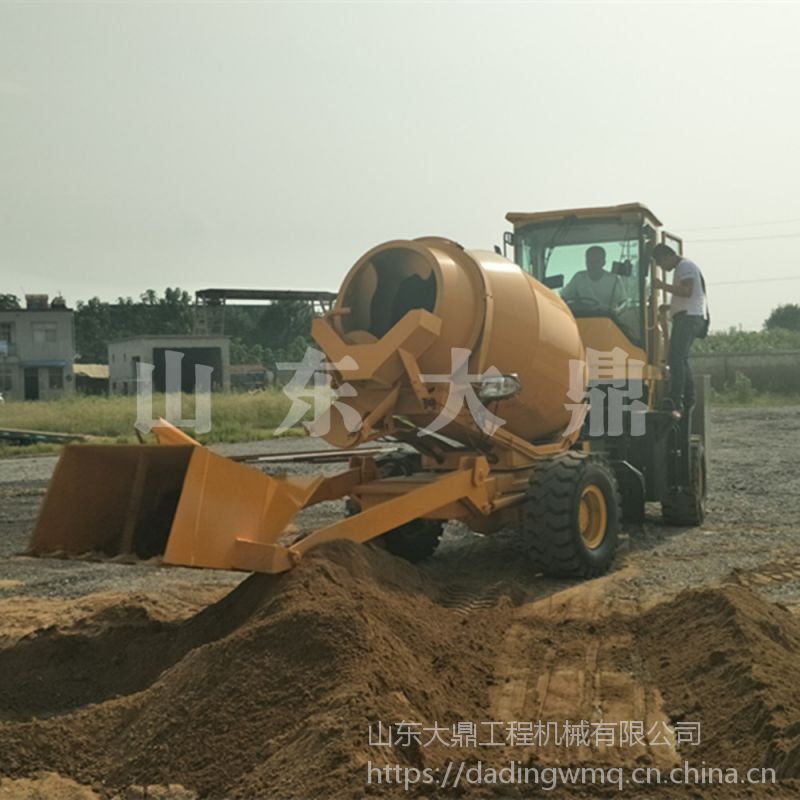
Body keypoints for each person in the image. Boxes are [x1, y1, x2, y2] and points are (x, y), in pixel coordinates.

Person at [652, 243, 708, 417]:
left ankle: (676, 397)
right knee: (681, 358)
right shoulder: (684, 267)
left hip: (688, 318)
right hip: (688, 316)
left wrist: (662, 286)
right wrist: (670, 306)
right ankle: (688, 395)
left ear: (667, 256)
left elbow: (687, 291)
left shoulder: (685, 266)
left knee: (675, 357)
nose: (663, 268)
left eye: (661, 264)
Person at [561, 246, 627, 312]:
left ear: (603, 262)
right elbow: (563, 298)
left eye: (596, 261)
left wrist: (617, 311)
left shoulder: (613, 279)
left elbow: (623, 302)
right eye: (589, 261)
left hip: (609, 319)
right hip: (583, 318)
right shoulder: (579, 278)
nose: (592, 265)